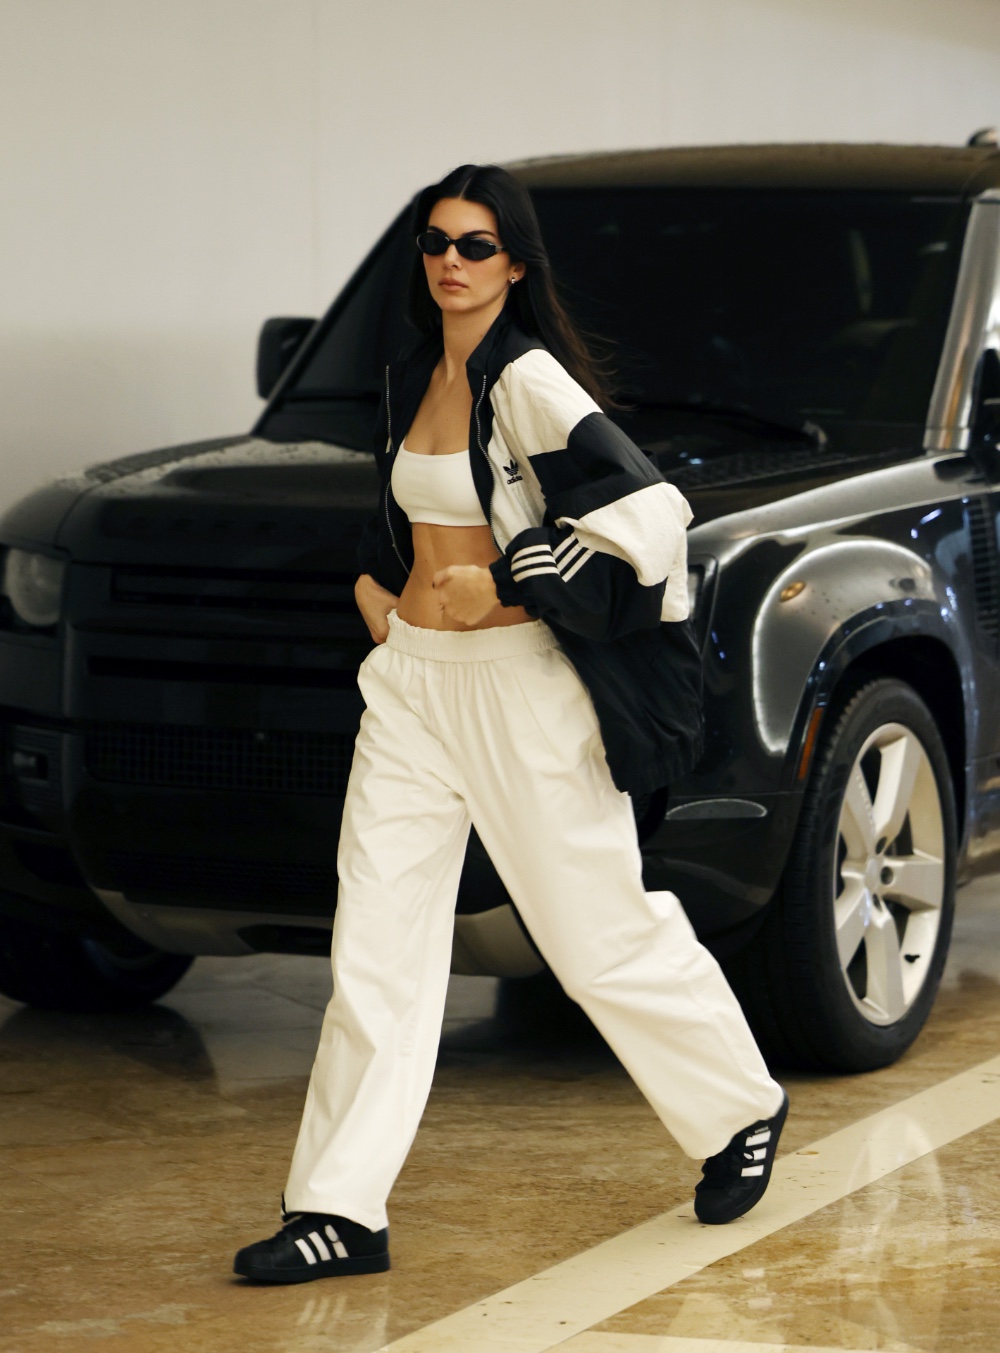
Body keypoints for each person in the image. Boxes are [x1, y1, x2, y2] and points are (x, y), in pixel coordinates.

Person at [233, 164, 788, 1285]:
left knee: (595, 933)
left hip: (518, 691)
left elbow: (650, 514)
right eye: (437, 242)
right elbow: (407, 516)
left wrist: (514, 583)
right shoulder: (414, 374)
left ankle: (739, 1107)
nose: (452, 262)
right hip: (412, 688)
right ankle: (338, 1209)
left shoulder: (528, 379)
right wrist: (378, 597)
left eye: (476, 245)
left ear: (516, 265)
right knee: (376, 950)